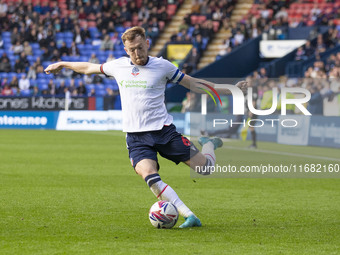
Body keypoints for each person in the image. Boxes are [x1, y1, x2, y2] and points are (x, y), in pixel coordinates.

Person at [44, 26, 247, 228]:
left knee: (206, 169)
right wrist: (63, 64)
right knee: (150, 177)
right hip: (136, 137)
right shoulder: (118, 66)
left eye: (140, 47)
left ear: (147, 43)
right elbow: (88, 67)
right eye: (131, 49)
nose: (137, 53)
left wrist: (230, 90)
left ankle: (209, 144)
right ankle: (189, 216)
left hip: (164, 132)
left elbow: (194, 84)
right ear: (125, 49)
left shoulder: (163, 66)